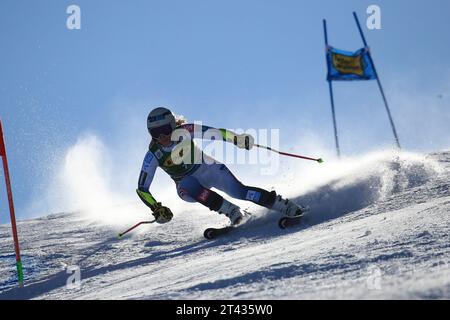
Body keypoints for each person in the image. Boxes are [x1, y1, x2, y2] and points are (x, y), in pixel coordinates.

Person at [137, 107, 304, 225]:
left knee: (239, 192)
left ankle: (284, 205)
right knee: (187, 184)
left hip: (208, 169)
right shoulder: (153, 155)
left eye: (165, 129)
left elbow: (216, 133)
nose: (162, 136)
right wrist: (156, 208)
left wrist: (237, 139)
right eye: (155, 133)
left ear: (173, 125)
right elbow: (142, 188)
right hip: (187, 186)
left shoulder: (186, 130)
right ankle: (231, 211)